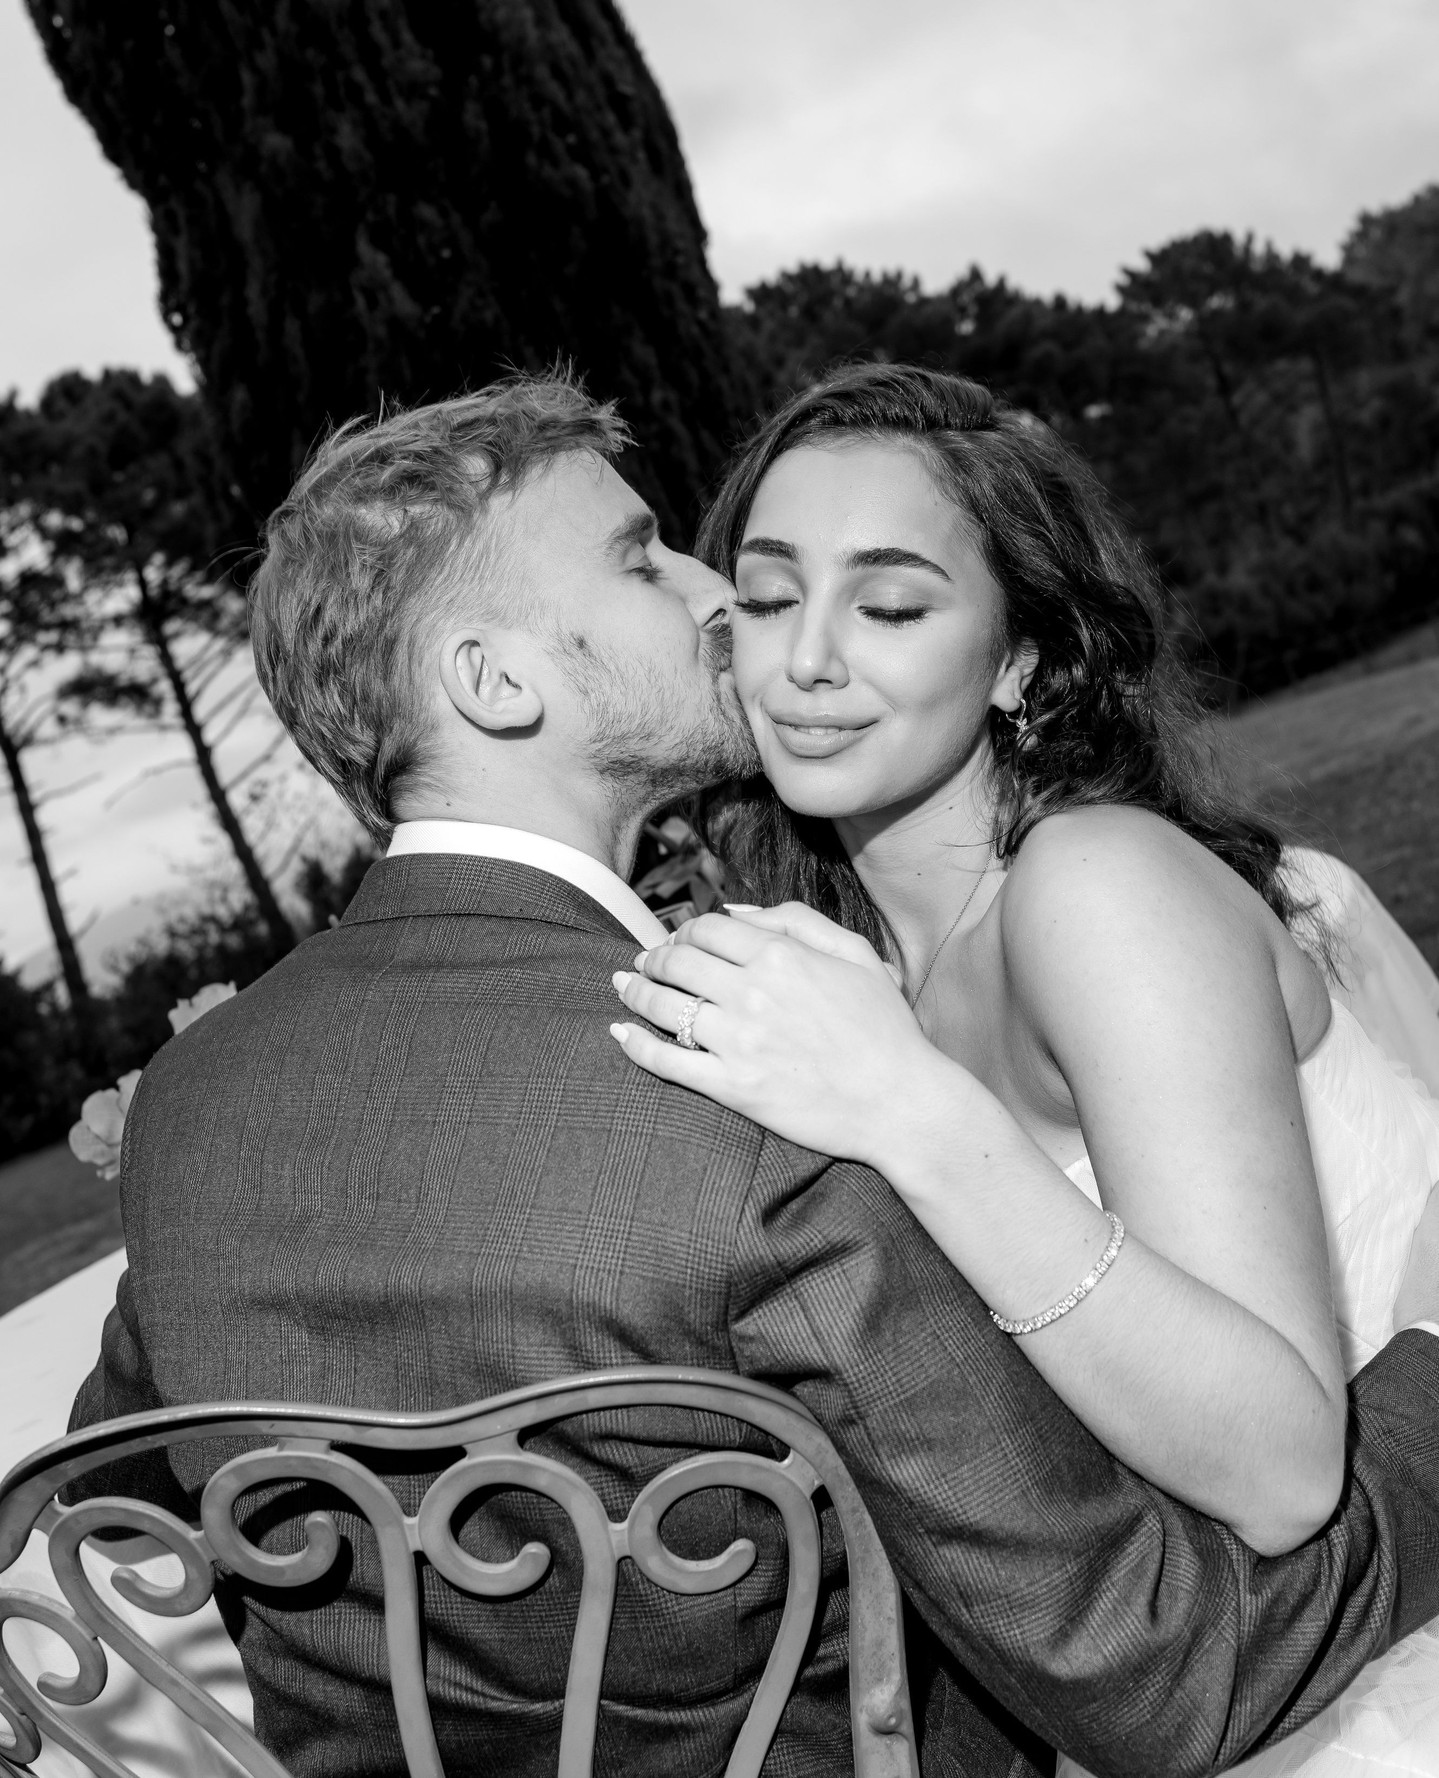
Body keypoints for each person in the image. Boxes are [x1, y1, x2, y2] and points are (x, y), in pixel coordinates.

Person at [68, 373, 1439, 1778]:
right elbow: (1142, 1657)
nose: (717, 600)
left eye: (885, 602)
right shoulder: (736, 1088)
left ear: (1024, 655)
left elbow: (111, 1478)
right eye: (644, 556)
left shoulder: (192, 1101)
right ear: (496, 681)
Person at [609, 363, 1439, 1774]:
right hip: (1183, 1663)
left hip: (1365, 1651)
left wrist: (915, 1112)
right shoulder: (853, 958)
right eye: (764, 592)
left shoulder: (1093, 885)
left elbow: (1287, 1467)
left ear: (1023, 662)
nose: (805, 658)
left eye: (888, 605)